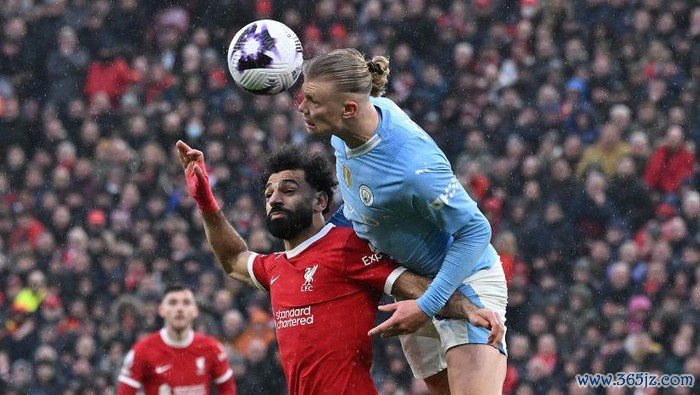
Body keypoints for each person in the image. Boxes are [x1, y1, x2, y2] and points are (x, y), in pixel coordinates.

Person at [176, 141, 503, 394]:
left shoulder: (346, 246)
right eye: (269, 193)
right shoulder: (275, 267)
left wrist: (469, 308)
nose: (275, 198)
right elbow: (234, 260)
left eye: (288, 190)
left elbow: (413, 286)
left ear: (320, 201)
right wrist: (206, 201)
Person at [298, 48, 508, 394]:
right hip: (412, 284)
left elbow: (476, 230)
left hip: (464, 280)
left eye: (312, 101)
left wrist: (427, 305)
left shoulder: (413, 167)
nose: (302, 108)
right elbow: (359, 211)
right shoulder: (344, 133)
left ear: (348, 109)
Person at [116, 283, 236, 395]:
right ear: (161, 310)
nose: (179, 308)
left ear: (195, 311)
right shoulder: (142, 350)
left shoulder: (212, 348)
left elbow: (228, 390)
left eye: (186, 302)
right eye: (173, 302)